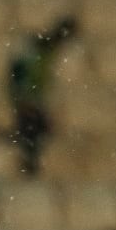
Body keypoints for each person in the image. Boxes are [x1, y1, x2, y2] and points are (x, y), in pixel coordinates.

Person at [4, 16, 78, 179]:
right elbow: (18, 73)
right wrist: (24, 98)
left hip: (32, 101)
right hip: (28, 101)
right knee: (32, 128)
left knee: (34, 130)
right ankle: (26, 155)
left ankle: (26, 155)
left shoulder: (44, 54)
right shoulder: (37, 54)